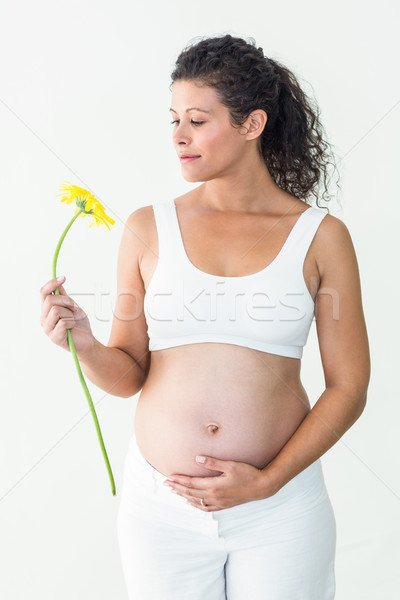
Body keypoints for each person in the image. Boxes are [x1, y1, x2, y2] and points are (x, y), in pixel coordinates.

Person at [40, 34, 370, 600]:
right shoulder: (147, 228)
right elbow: (130, 377)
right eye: (173, 120)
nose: (179, 136)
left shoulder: (321, 237)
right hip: (160, 514)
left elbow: (349, 388)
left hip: (280, 510)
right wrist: (86, 343)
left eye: (197, 119)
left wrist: (267, 482)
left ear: (252, 124)